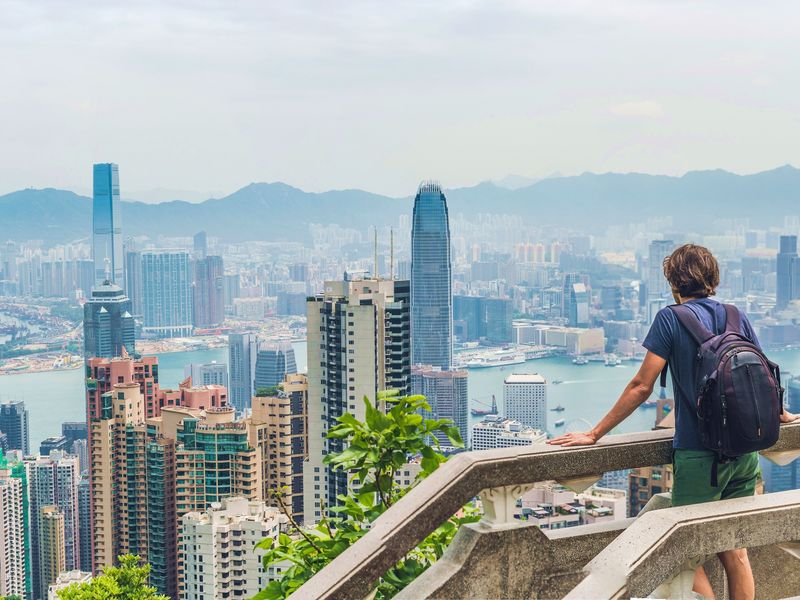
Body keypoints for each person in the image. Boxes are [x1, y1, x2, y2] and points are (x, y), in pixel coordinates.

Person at [548, 243, 799, 600]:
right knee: (736, 553)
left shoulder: (670, 318)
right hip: (744, 452)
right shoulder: (735, 314)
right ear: (713, 278)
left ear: (673, 282)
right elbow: (763, 376)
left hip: (699, 456)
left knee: (684, 554)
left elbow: (641, 386)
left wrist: (594, 433)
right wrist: (783, 415)